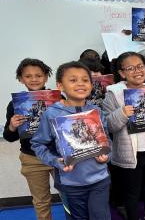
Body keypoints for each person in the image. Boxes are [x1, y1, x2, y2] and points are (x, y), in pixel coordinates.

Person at [31, 61, 111, 219]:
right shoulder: (52, 115)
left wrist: (107, 156)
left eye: (85, 80)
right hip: (71, 184)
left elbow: (107, 140)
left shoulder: (96, 111)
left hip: (100, 180)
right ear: (60, 85)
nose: (80, 83)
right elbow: (38, 144)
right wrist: (56, 161)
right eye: (73, 80)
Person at [102, 52, 145, 220]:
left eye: (140, 66)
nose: (137, 71)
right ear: (122, 73)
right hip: (129, 154)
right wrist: (122, 113)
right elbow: (108, 125)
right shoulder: (114, 93)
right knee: (132, 193)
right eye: (130, 68)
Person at [3, 58, 54, 220]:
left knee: (70, 195)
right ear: (21, 79)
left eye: (38, 75)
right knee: (41, 201)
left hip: (58, 155)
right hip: (32, 158)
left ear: (46, 77)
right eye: (28, 76)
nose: (34, 79)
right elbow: (9, 137)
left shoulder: (58, 99)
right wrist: (12, 126)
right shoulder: (15, 104)